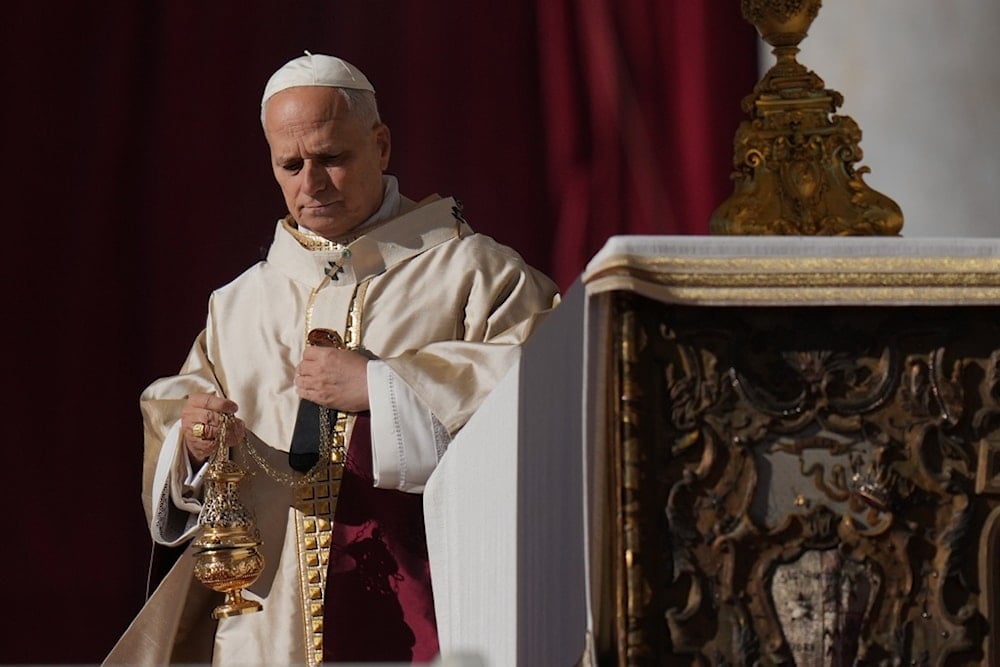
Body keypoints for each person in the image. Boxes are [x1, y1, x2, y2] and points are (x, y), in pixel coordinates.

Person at [105, 52, 559, 666]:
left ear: (382, 145)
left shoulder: (474, 272)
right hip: (268, 624)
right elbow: (179, 407)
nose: (310, 184)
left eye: (331, 158)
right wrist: (191, 441)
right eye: (290, 165)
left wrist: (385, 386)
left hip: (433, 607)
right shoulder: (240, 303)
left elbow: (548, 388)